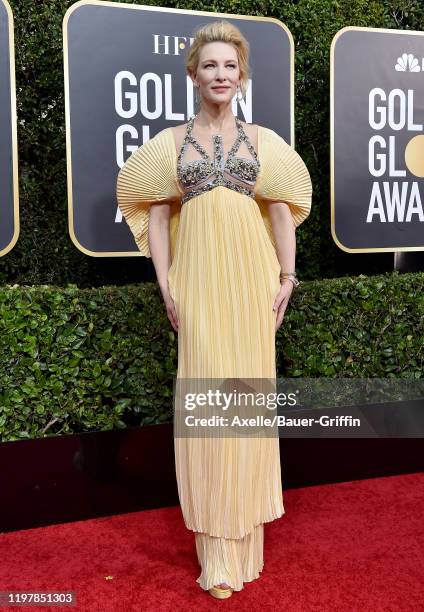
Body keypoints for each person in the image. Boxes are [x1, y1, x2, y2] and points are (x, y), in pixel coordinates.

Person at [117, 19, 312, 599]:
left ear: (242, 74)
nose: (220, 74)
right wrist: (166, 283)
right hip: (198, 282)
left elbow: (280, 210)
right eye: (210, 66)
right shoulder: (171, 144)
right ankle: (216, 555)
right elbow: (153, 213)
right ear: (194, 75)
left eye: (230, 65)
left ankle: (243, 542)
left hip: (252, 282)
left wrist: (287, 277)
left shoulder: (265, 141)